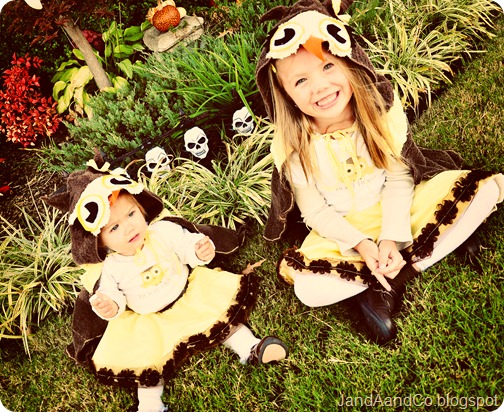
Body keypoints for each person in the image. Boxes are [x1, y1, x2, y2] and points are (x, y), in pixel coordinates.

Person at [255, 0, 503, 345]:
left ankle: (389, 282)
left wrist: (391, 236)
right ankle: (432, 245)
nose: (320, 87)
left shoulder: (379, 113)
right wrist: (361, 244)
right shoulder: (293, 145)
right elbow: (315, 211)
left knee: (488, 190)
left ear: (350, 61)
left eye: (328, 66)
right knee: (308, 289)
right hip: (345, 234)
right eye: (301, 80)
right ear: (284, 93)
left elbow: (399, 179)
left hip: (399, 208)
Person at [42, 152, 288, 412]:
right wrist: (109, 306)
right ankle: (150, 404)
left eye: (131, 214)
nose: (128, 228)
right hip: (149, 318)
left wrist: (199, 250)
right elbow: (114, 296)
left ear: (142, 209)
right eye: (113, 228)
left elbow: (186, 245)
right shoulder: (111, 268)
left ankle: (250, 347)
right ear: (99, 242)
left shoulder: (162, 232)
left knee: (220, 319)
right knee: (145, 360)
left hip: (187, 293)